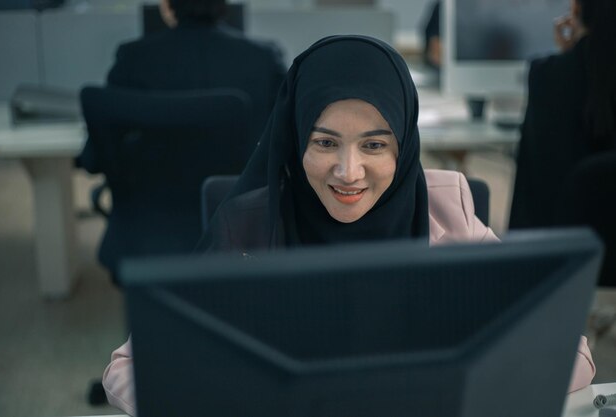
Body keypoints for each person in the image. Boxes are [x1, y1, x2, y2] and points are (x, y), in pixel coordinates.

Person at [102, 35, 596, 415]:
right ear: (295, 139)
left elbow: (570, 351)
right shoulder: (247, 229)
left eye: (375, 145)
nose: (349, 171)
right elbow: (128, 368)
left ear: (403, 145)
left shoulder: (449, 212)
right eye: (324, 143)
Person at [105, 0, 286, 140]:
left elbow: (96, 155)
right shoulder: (264, 58)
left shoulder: (132, 58)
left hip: (151, 185)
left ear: (168, 4)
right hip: (239, 186)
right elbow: (286, 138)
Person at [508, 0, 616, 229]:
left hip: (569, 253)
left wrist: (566, 58)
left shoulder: (546, 77)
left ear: (575, 9)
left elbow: (532, 198)